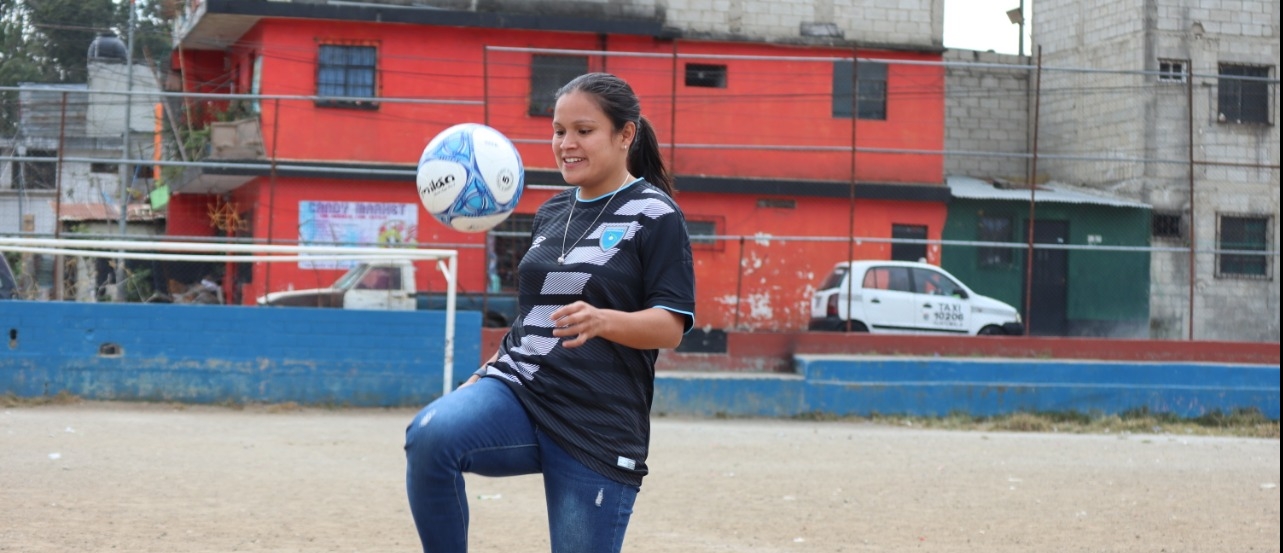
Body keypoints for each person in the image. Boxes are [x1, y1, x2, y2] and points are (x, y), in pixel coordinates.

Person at [403, 72, 696, 553]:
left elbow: (670, 326)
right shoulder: (552, 211)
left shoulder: (657, 215)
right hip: (520, 392)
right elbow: (532, 317)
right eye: (559, 130)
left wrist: (604, 320)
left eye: (584, 130)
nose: (566, 144)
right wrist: (488, 372)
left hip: (595, 421)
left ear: (626, 134)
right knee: (432, 437)